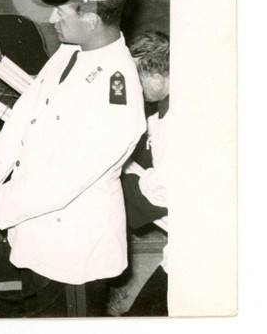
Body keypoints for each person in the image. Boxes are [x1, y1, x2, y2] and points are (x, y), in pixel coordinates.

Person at [0, 0, 146, 317]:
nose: (51, 18)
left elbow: (60, 183)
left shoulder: (115, 94)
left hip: (72, 254)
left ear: (91, 18)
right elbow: (21, 121)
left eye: (61, 12)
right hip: (36, 233)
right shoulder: (70, 52)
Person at [117, 30, 170, 317]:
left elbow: (161, 191)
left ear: (159, 80)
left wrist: (121, 179)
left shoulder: (176, 123)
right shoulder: (167, 107)